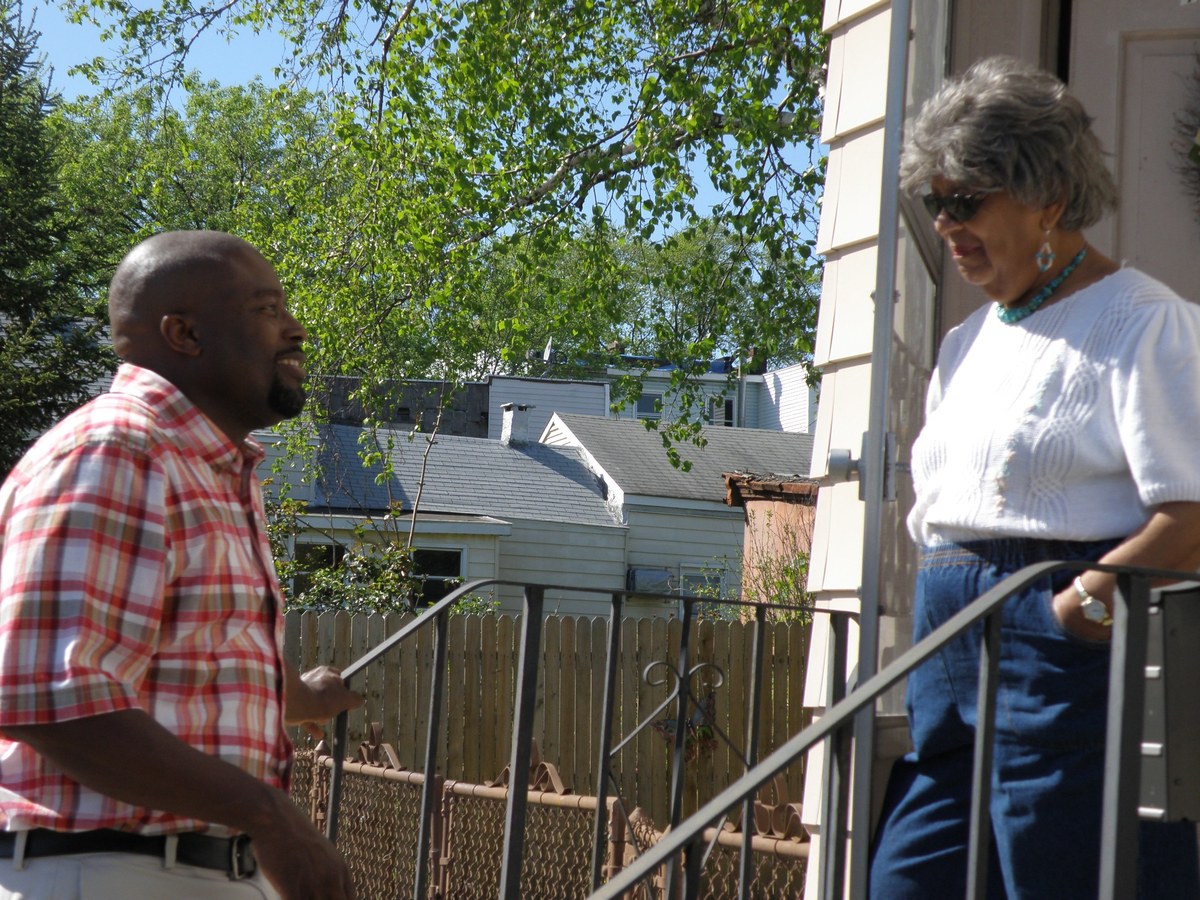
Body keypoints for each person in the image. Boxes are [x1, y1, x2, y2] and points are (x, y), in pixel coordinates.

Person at [868, 56, 1200, 898]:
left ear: (1048, 196)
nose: (946, 223)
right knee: (908, 881)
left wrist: (1076, 610)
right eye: (935, 202)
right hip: (948, 657)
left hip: (1060, 658)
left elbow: (1191, 513)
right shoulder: (965, 342)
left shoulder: (1143, 322)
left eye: (967, 200)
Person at [0, 231, 363, 899]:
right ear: (184, 334)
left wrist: (303, 696)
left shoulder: (209, 469)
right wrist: (270, 815)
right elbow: (50, 701)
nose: (297, 329)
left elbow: (193, 651)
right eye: (265, 308)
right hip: (107, 871)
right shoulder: (116, 450)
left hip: (190, 871)